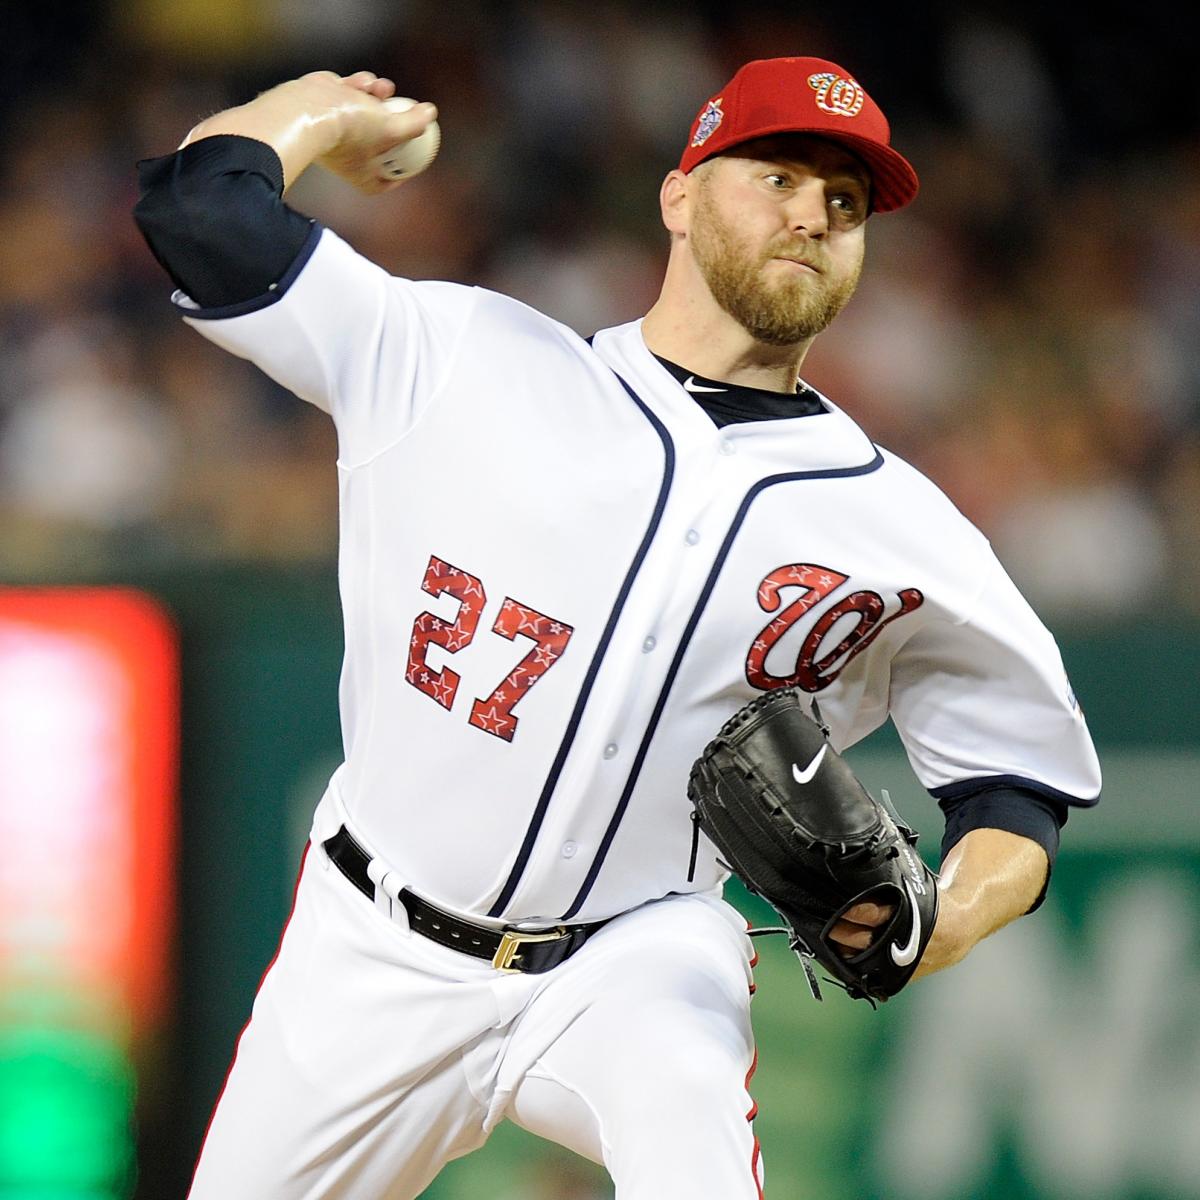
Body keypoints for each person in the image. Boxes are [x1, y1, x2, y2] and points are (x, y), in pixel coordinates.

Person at [133, 55, 1101, 1199]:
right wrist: (317, 114)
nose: (815, 216)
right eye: (780, 175)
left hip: (634, 958)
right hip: (369, 946)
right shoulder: (465, 361)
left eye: (847, 204)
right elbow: (200, 213)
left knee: (686, 1113)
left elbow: (1015, 789)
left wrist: (943, 919)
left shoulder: (902, 527)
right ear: (679, 196)